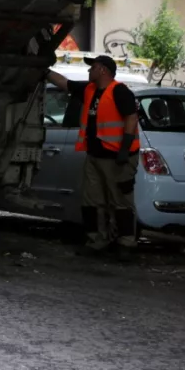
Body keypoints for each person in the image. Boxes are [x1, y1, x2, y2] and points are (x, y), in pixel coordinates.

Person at [46, 55, 140, 257]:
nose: (89, 71)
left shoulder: (119, 91)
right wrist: (44, 70)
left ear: (103, 70)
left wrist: (124, 149)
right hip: (95, 156)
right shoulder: (89, 89)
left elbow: (131, 118)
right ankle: (97, 241)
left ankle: (125, 244)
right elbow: (64, 83)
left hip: (117, 157)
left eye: (93, 67)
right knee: (92, 201)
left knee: (120, 202)